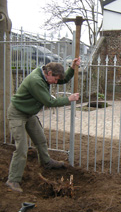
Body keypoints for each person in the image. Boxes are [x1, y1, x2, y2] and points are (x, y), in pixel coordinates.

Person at [6, 57, 81, 193]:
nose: (57, 82)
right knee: (22, 148)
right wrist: (69, 99)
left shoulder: (45, 75)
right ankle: (13, 180)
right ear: (49, 73)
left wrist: (72, 68)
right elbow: (49, 102)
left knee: (40, 139)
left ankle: (46, 162)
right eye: (55, 79)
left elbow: (63, 79)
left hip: (29, 114)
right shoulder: (36, 81)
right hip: (17, 113)